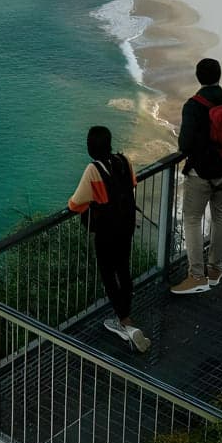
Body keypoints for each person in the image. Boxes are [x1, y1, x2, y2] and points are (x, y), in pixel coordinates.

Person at [68, 125, 151, 352]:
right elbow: (132, 184)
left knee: (108, 274)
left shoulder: (93, 169)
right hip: (126, 226)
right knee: (123, 268)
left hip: (106, 231)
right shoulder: (124, 160)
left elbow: (75, 204)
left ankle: (123, 321)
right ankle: (126, 314)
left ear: (90, 147)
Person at [171, 57, 222, 295]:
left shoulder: (193, 106)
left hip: (201, 172)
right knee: (220, 216)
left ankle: (196, 276)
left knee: (192, 219)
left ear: (198, 77)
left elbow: (184, 144)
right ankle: (214, 270)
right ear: (219, 75)